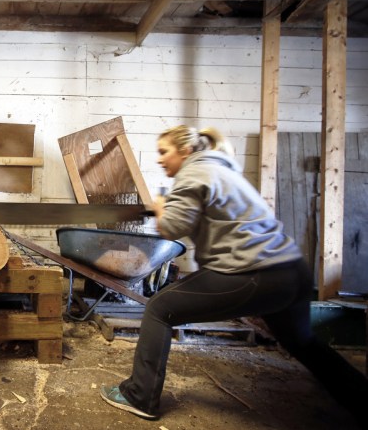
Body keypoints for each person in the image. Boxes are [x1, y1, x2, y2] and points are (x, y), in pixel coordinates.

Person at [99, 125, 367, 425]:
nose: (160, 160)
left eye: (164, 152)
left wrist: (161, 205)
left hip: (253, 273)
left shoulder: (194, 173)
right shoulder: (222, 171)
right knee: (301, 341)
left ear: (185, 151)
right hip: (292, 271)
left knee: (159, 308)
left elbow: (172, 228)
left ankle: (139, 396)